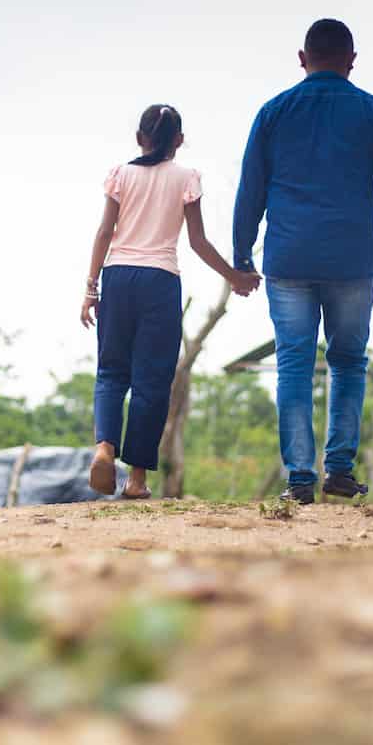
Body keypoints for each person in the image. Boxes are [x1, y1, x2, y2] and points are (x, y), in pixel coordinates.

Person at [232, 19, 373, 504]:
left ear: (302, 58)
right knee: (347, 363)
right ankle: (338, 470)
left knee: (293, 366)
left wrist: (241, 255)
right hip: (351, 260)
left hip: (288, 258)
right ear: (352, 61)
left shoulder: (273, 112)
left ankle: (300, 477)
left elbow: (250, 188)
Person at [82, 104, 261, 498]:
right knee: (152, 382)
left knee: (112, 372)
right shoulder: (187, 178)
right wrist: (235, 277)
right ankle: (137, 480)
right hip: (160, 282)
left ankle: (104, 447)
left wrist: (91, 289)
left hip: (118, 276)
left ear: (139, 138)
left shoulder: (120, 175)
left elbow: (103, 233)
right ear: (178, 141)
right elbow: (197, 241)